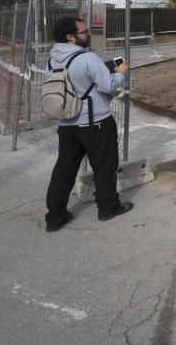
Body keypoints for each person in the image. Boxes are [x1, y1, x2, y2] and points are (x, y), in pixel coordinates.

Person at [44, 17, 133, 232]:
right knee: (104, 166)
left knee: (64, 169)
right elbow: (107, 85)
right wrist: (121, 73)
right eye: (84, 32)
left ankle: (55, 216)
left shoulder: (52, 59)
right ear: (70, 36)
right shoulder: (88, 59)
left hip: (67, 124)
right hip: (96, 122)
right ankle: (108, 207)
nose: (89, 34)